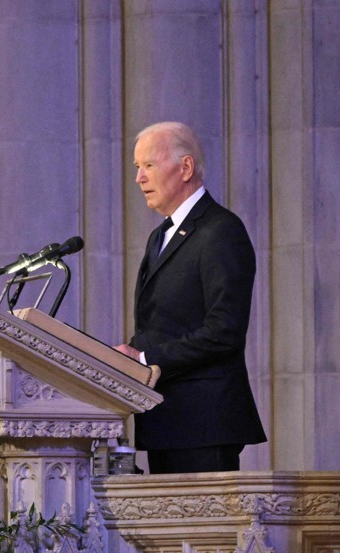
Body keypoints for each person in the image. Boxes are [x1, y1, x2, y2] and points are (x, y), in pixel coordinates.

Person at [114, 121, 266, 474]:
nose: (139, 178)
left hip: (204, 424)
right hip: (164, 418)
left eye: (148, 165)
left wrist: (145, 357)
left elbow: (224, 330)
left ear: (185, 168)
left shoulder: (220, 230)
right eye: (137, 168)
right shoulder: (159, 237)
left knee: (203, 532)